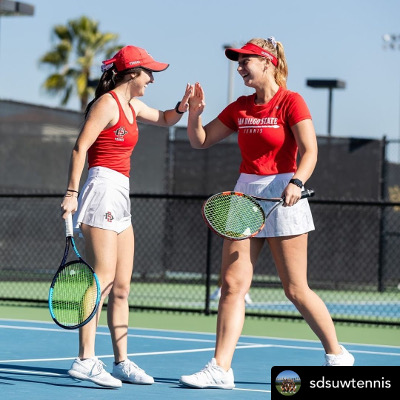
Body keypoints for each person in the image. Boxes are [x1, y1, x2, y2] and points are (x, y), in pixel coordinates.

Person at [180, 37, 354, 390]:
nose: (240, 67)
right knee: (232, 285)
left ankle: (337, 355)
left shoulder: (291, 102)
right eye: (238, 62)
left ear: (268, 62)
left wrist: (297, 182)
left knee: (295, 289)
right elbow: (200, 141)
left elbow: (310, 150)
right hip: (245, 194)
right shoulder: (239, 108)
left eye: (246, 61)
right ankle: (220, 368)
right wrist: (194, 114)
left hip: (285, 191)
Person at [60, 45, 192, 388]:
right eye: (149, 72)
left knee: (122, 287)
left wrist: (182, 107)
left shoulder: (133, 105)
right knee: (101, 277)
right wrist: (72, 193)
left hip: (121, 193)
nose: (152, 78)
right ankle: (85, 359)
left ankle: (121, 362)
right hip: (100, 187)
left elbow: (165, 119)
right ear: (132, 73)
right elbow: (80, 147)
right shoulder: (107, 104)